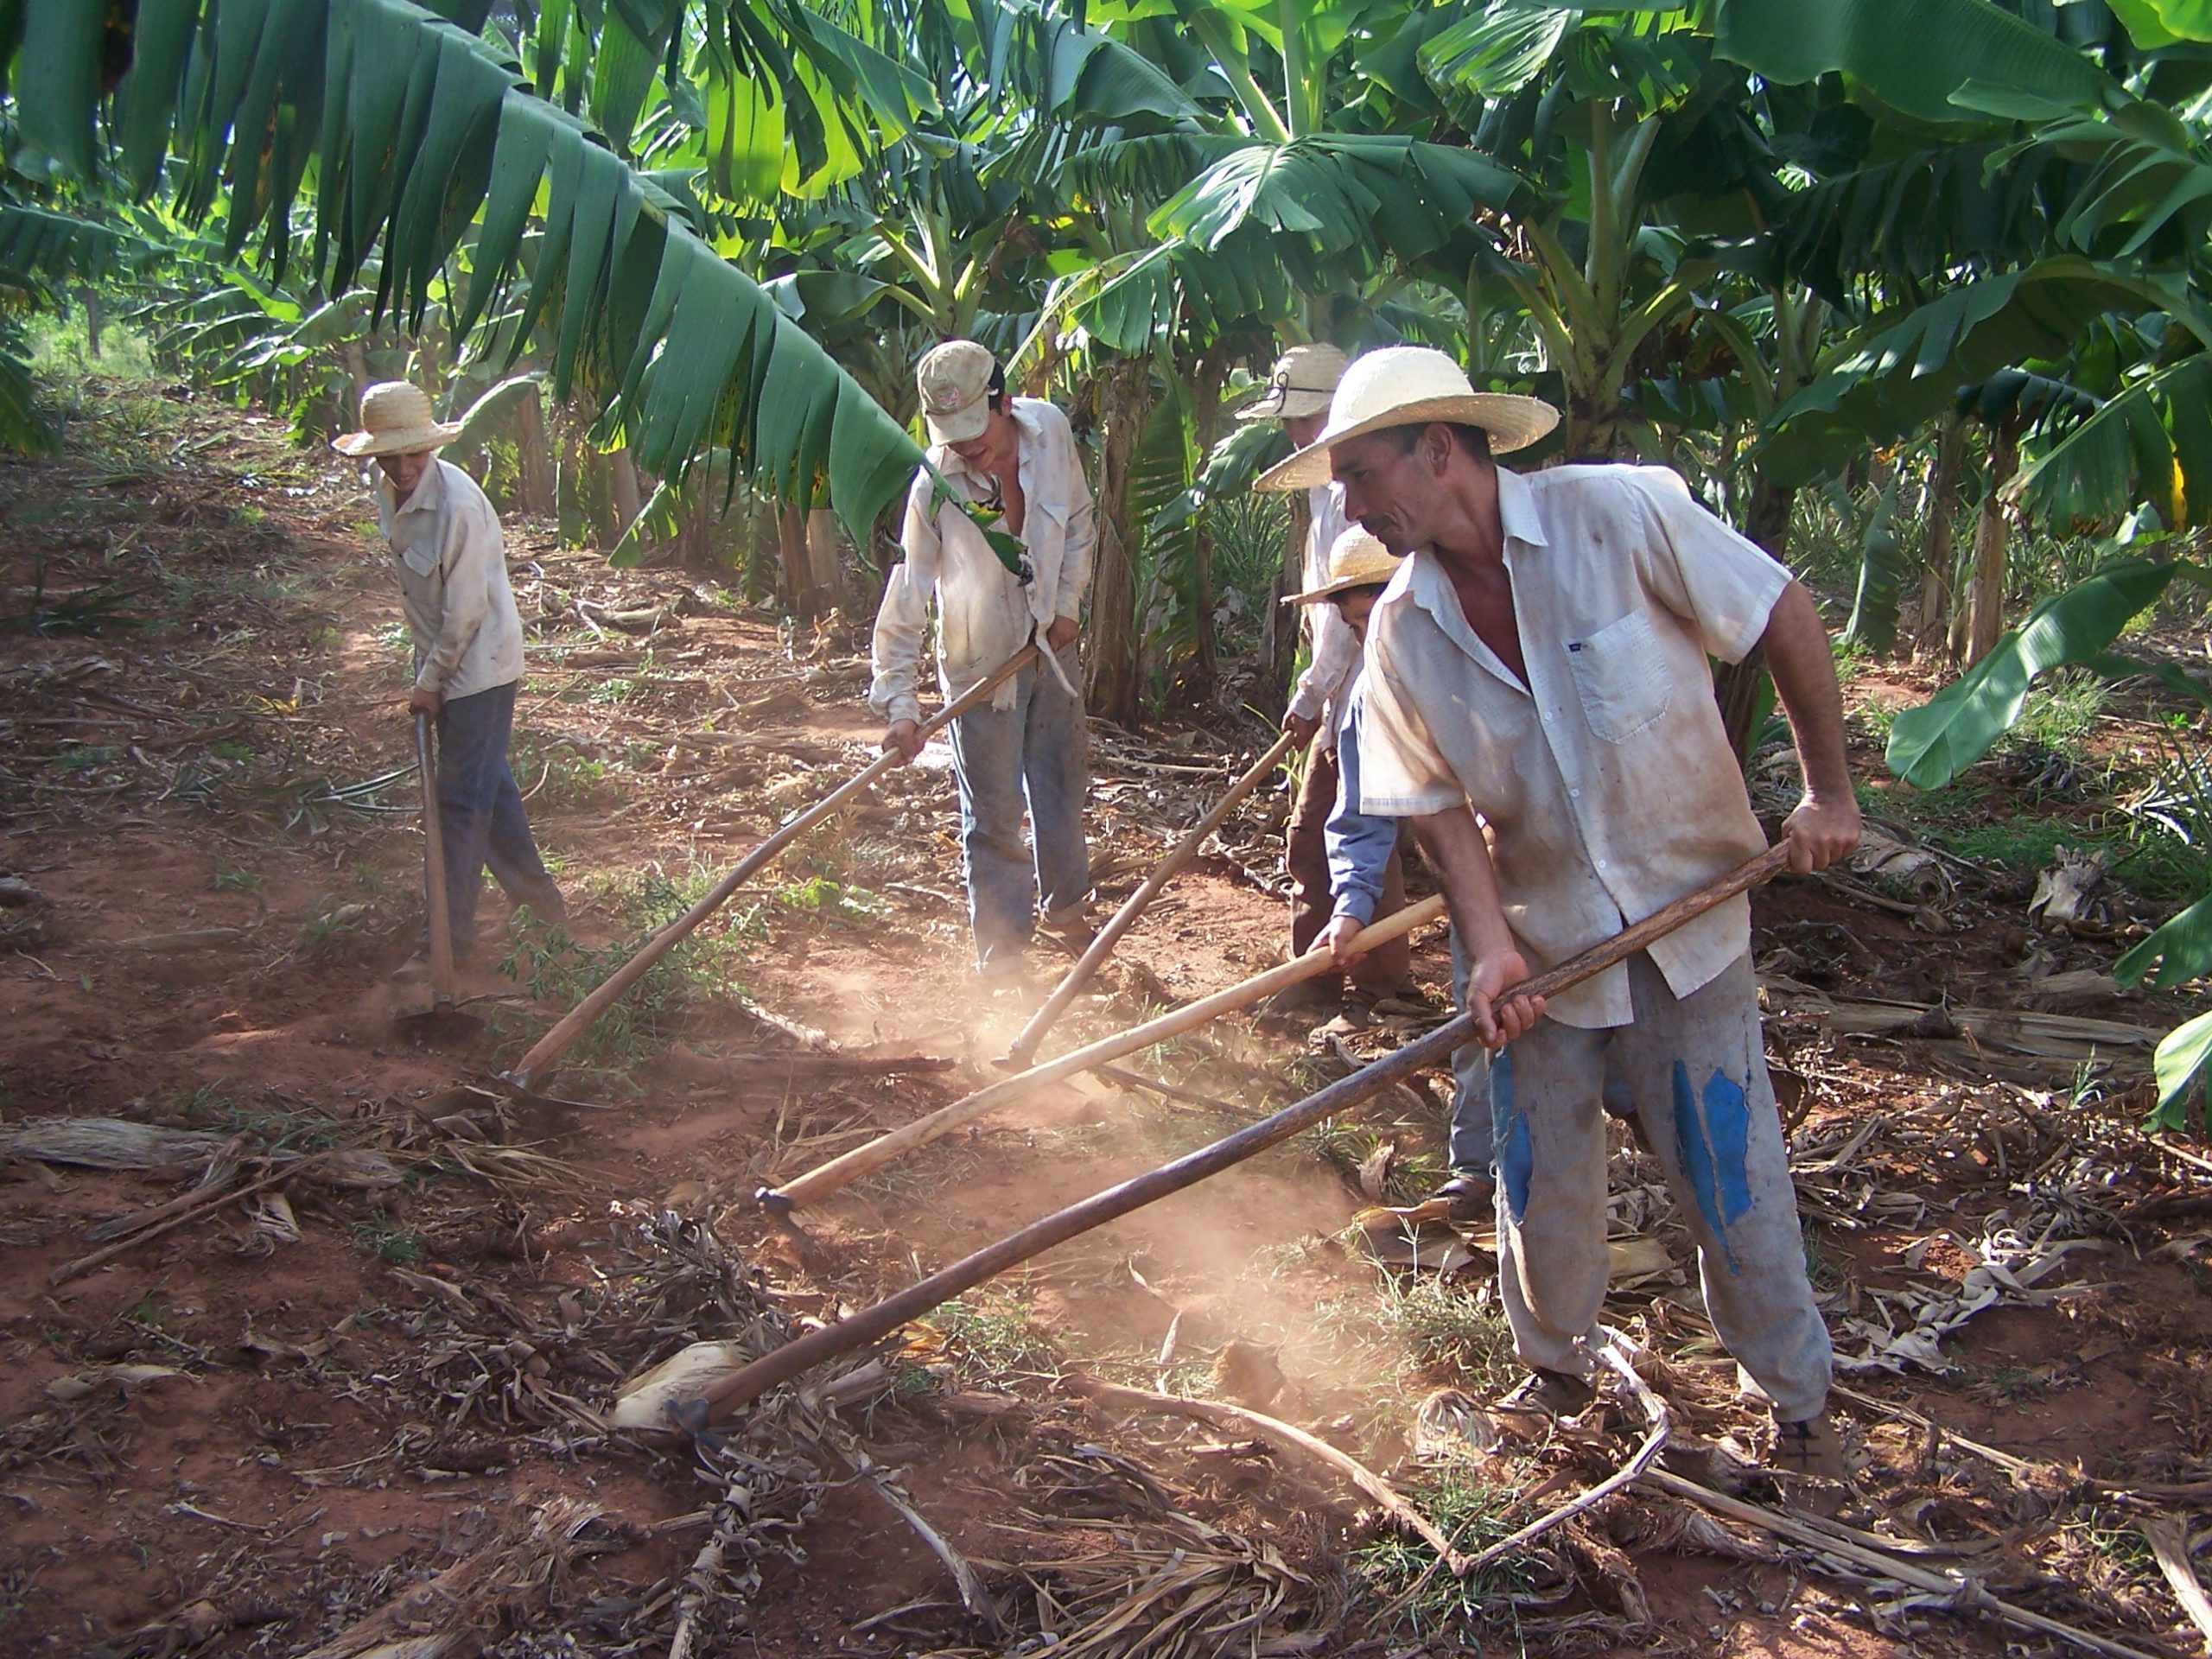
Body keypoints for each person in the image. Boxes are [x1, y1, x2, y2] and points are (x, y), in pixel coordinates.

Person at [1263, 346, 1859, 1479]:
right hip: (1545, 941)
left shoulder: (1619, 518)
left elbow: (1778, 609)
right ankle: (1555, 1376)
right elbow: (1435, 808)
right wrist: (1488, 948)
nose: (1347, 504)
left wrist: (1829, 793)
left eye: (1357, 472)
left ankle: (1800, 1409)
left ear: (1439, 448)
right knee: (1540, 1173)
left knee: (1729, 1172)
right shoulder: (1401, 631)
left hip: (1690, 921)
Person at [872, 340, 1096, 981]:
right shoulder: (935, 487)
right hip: (980, 671)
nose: (968, 448)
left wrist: (1069, 605)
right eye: (954, 436)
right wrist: (900, 705)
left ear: (1003, 401)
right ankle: (1003, 955)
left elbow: (1078, 520)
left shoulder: (1050, 434)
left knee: (1060, 790)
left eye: (977, 429)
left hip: (1049, 653)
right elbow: (908, 595)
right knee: (994, 814)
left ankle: (1071, 915)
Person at [333, 380, 564, 970]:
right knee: (488, 788)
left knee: (460, 802)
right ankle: (545, 911)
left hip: (479, 667)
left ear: (430, 447)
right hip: (441, 656)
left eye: (415, 453)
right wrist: (427, 669)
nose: (405, 466)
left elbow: (464, 614)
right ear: (376, 453)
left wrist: (430, 682)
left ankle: (447, 945)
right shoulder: (386, 488)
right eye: (392, 454)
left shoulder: (458, 506)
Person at [1301, 529, 1493, 1220]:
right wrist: (1352, 908)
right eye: (1356, 625)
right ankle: (1480, 1170)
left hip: (1571, 864)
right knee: (1485, 1006)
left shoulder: (1501, 644)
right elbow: (1359, 816)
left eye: (1381, 612)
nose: (1372, 635)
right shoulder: (1368, 700)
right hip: (1480, 881)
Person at [1242, 343, 1412, 1020]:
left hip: (1363, 691)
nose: (1295, 432)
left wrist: (1313, 695)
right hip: (1347, 691)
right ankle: (1373, 982)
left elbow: (1350, 619)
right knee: (1357, 834)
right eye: (1290, 421)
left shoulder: (1354, 500)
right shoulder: (1324, 490)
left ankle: (1331, 983)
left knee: (1323, 835)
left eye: (1307, 418)